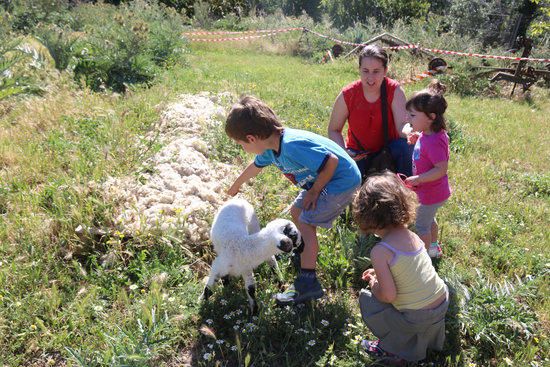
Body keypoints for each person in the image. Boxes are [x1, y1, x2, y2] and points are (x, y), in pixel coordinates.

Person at [225, 95, 361, 305]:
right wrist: (235, 185)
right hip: (321, 180)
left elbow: (331, 162)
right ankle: (304, 251)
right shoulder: (271, 148)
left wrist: (314, 191)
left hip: (340, 182)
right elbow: (254, 167)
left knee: (306, 221)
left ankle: (308, 283)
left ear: (251, 139)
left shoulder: (291, 145)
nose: (242, 148)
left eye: (240, 143)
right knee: (296, 213)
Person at [353, 171, 449, 364]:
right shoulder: (412, 235)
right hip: (442, 302)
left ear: (365, 216)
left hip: (417, 316)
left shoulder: (380, 251)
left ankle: (392, 350)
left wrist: (373, 281)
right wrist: (379, 272)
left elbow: (388, 296)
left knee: (371, 300)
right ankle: (427, 340)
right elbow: (411, 270)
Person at [328, 44, 413, 178]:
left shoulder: (395, 91)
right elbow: (334, 129)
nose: (370, 78)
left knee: (406, 147)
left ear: (385, 71)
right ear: (359, 70)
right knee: (347, 181)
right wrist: (344, 153)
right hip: (358, 153)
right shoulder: (348, 94)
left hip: (388, 150)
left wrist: (411, 134)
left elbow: (402, 126)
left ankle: (408, 189)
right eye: (365, 71)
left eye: (376, 71)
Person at [403, 81, 451, 258]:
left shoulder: (434, 142)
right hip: (434, 192)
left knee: (421, 225)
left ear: (430, 117)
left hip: (430, 193)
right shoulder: (429, 134)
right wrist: (418, 138)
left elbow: (440, 169)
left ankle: (422, 258)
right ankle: (433, 247)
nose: (408, 119)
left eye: (413, 116)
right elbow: (428, 148)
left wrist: (418, 179)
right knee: (429, 220)